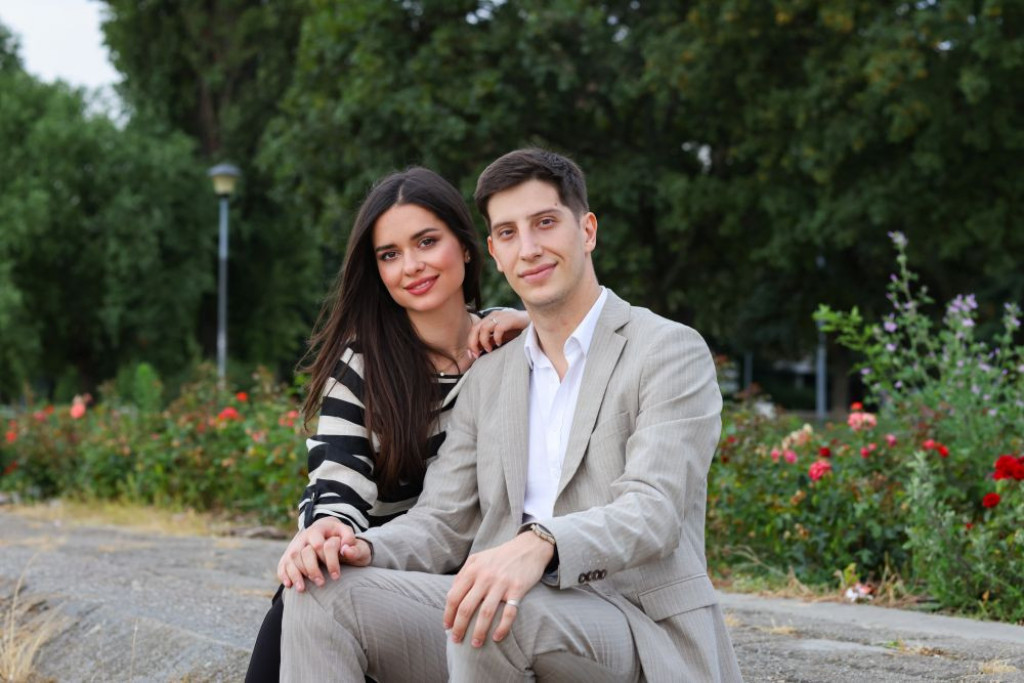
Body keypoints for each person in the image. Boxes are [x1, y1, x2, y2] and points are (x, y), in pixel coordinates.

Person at [280, 148, 742, 682]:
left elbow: (654, 512)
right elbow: (442, 522)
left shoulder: (667, 350)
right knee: (321, 594)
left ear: (587, 230)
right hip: (504, 612)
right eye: (507, 233)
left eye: (545, 223)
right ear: (494, 253)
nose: (529, 248)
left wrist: (540, 544)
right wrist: (357, 546)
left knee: (493, 614)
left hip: (636, 627)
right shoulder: (491, 374)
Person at [244, 166, 527, 681]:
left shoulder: (513, 347)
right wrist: (327, 529)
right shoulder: (362, 365)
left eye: (426, 242)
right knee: (305, 593)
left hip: (487, 585)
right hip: (376, 573)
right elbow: (338, 477)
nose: (411, 266)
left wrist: (533, 322)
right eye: (389, 255)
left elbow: (587, 341)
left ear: (467, 247)